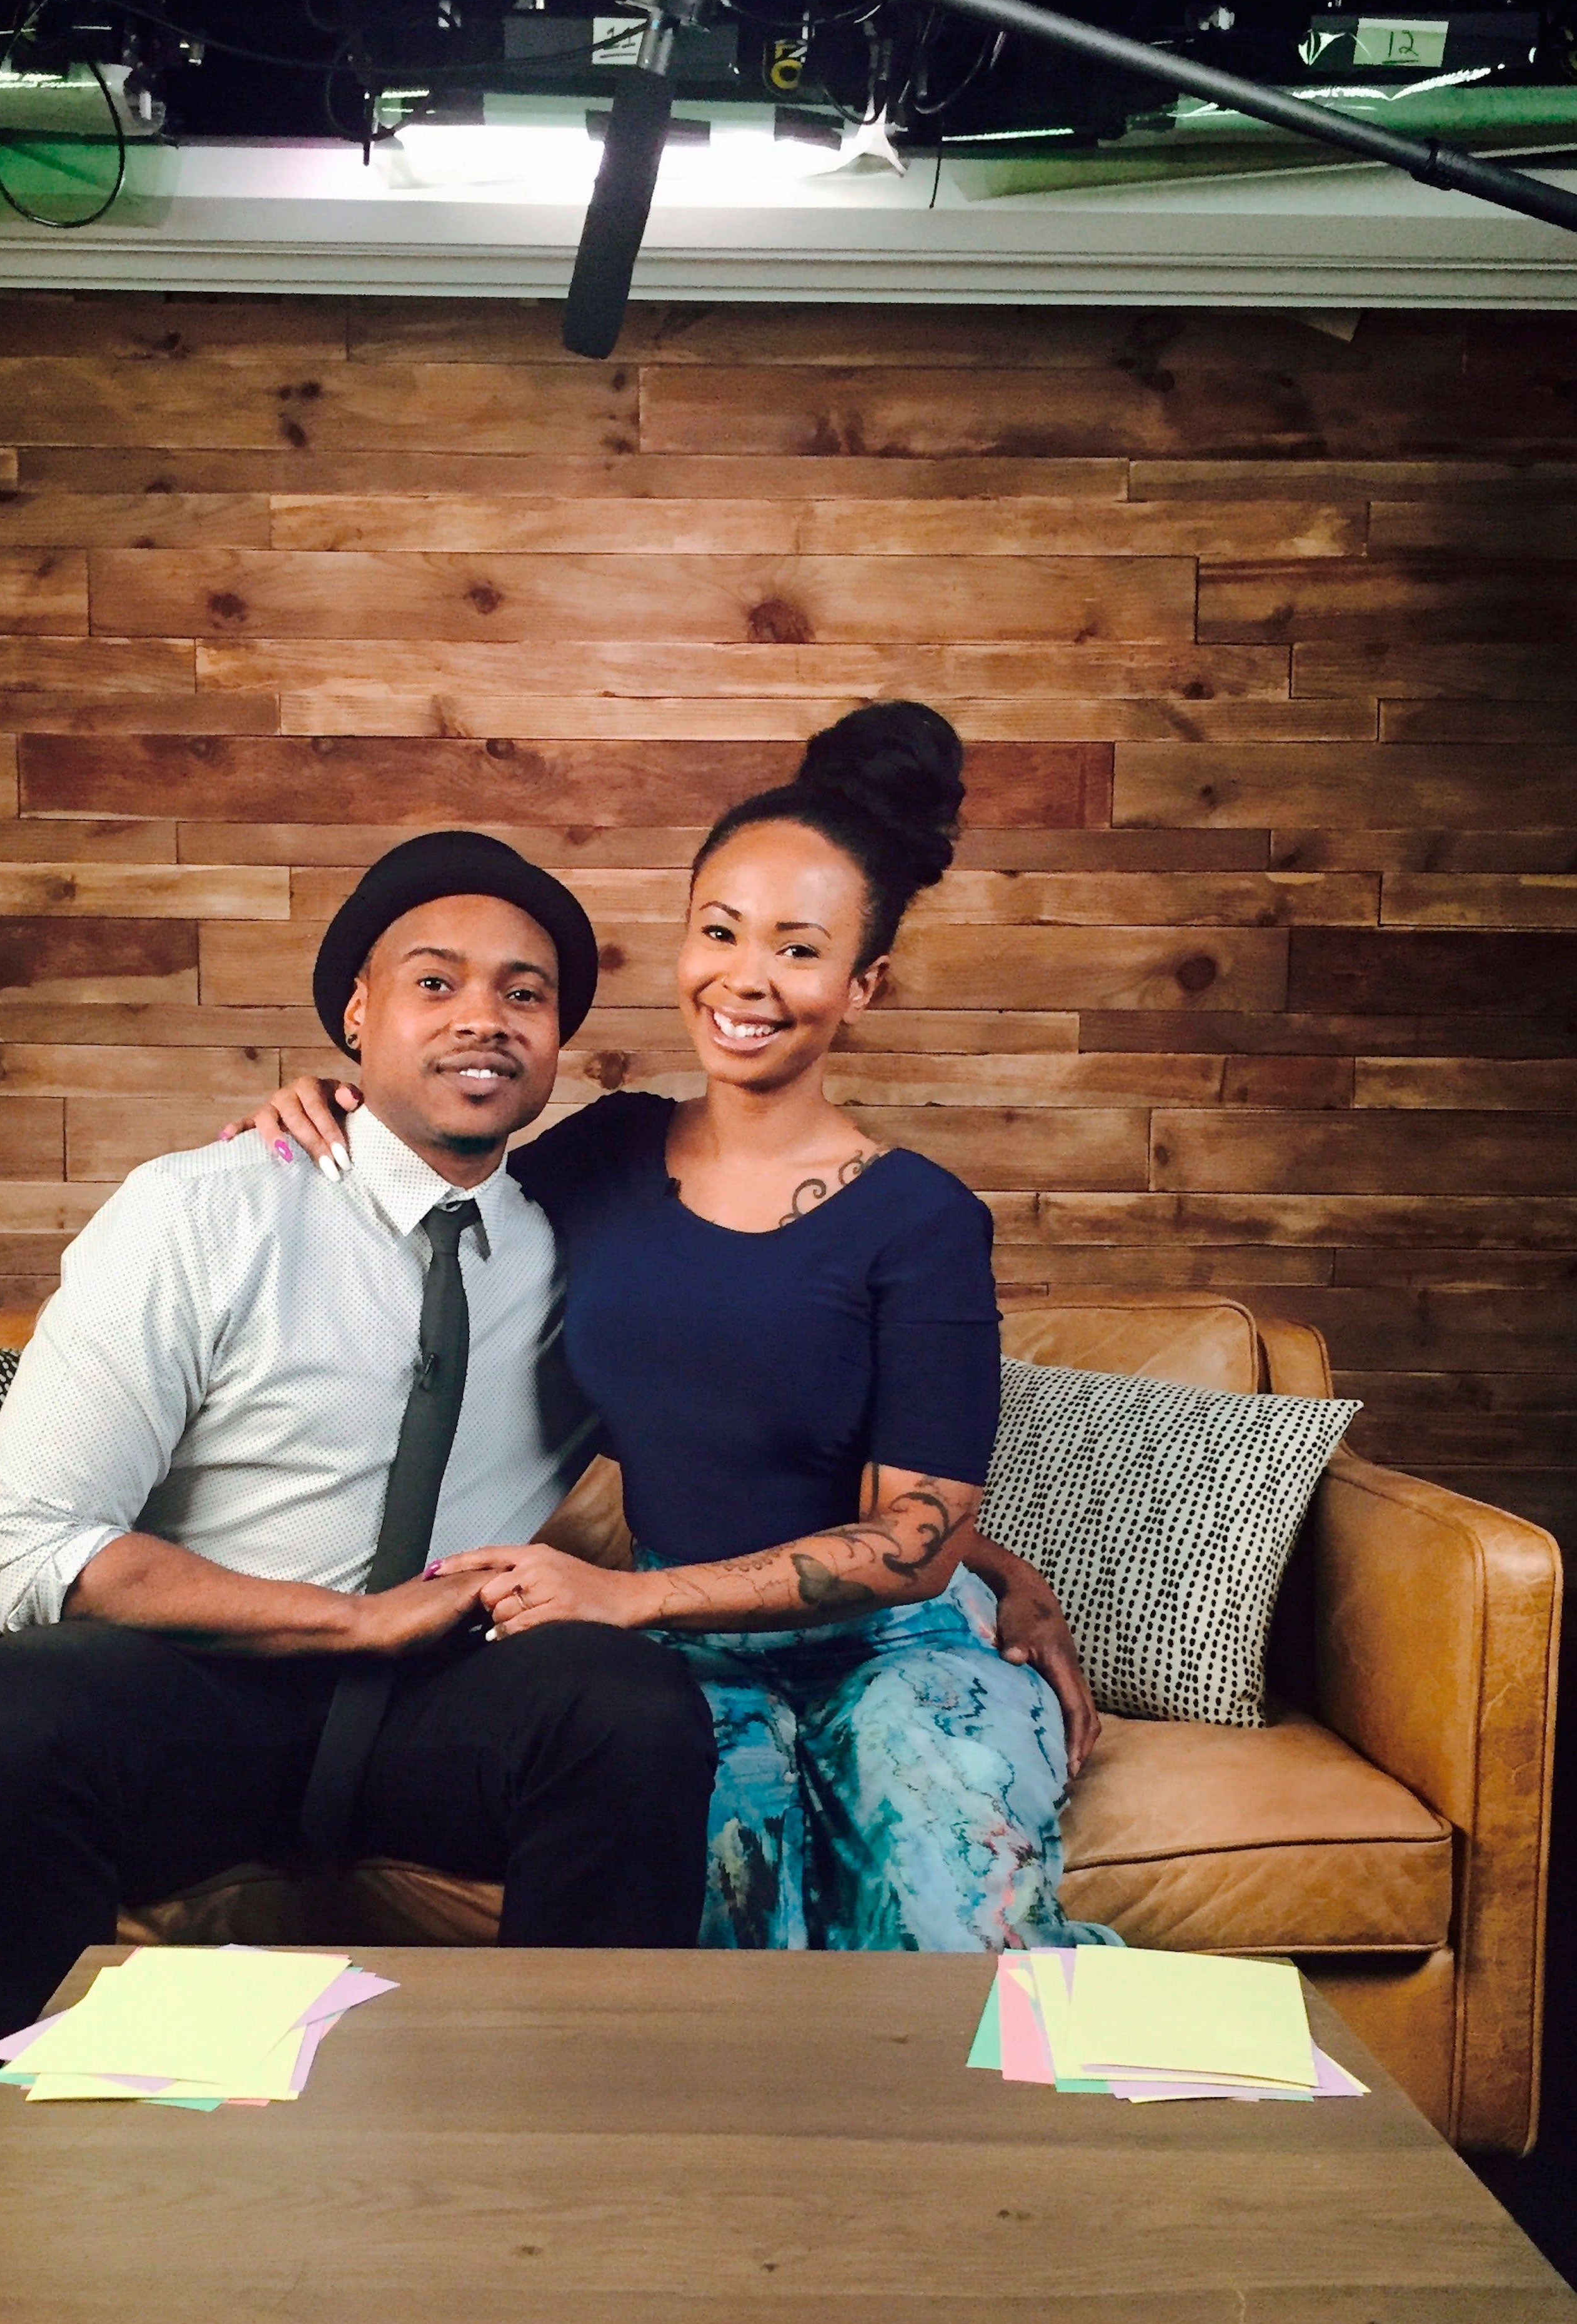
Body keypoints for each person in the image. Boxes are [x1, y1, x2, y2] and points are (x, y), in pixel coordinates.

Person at [233, 704, 1113, 1958]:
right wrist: (326, 1102)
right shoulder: (603, 1156)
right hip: (676, 1661)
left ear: (861, 986)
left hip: (890, 1649)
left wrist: (634, 1598)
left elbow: (915, 1538)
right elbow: (428, 1180)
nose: (745, 980)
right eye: (720, 931)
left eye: (799, 950)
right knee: (701, 1959)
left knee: (940, 1934)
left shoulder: (921, 1220)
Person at [0, 834, 719, 2167]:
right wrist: (350, 1620)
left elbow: (763, 1426)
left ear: (559, 1039)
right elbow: (35, 1544)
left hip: (442, 1709)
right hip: (204, 1689)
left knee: (626, 1706)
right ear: (355, 1017)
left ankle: (569, 2178)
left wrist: (973, 1555)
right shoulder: (201, 1211)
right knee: (6, 1719)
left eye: (522, 994)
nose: (482, 1019)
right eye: (434, 983)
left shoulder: (586, 1248)